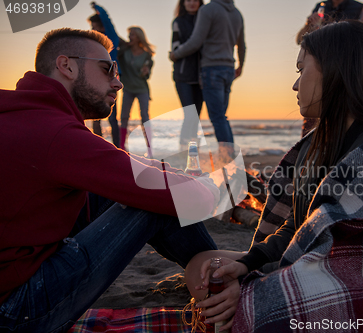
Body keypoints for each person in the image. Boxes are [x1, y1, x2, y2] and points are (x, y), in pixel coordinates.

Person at [182, 21, 363, 332]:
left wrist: (252, 284)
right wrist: (249, 263)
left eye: (300, 70)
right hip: (316, 261)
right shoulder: (322, 141)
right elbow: (300, 226)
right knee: (202, 267)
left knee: (254, 308)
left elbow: (331, 248)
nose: (295, 85)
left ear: (335, 71)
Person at [0, 28, 221, 333]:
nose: (118, 81)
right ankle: (225, 287)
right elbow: (192, 199)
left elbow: (120, 162)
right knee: (152, 201)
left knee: (131, 188)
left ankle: (221, 275)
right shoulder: (57, 135)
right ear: (67, 66)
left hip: (12, 280)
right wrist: (208, 187)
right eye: (107, 69)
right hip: (14, 311)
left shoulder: (25, 115)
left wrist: (170, 174)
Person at [169, 0, 245, 151]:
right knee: (221, 117)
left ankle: (227, 158)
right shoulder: (237, 13)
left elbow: (196, 42)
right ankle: (228, 156)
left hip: (211, 69)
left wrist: (175, 55)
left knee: (217, 118)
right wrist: (241, 65)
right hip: (229, 68)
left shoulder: (208, 10)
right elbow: (241, 44)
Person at [296, 0, 363, 137]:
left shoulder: (358, 8)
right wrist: (308, 25)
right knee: (310, 129)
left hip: (345, 75)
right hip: (318, 72)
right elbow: (300, 40)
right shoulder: (321, 6)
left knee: (344, 125)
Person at [88, 1, 124, 147]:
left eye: (94, 26)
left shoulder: (110, 38)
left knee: (112, 116)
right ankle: (98, 145)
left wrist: (97, 8)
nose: (92, 29)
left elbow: (107, 20)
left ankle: (117, 147)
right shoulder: (91, 42)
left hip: (110, 79)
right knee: (94, 114)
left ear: (101, 25)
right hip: (95, 79)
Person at [172, 0, 205, 151]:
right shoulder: (178, 21)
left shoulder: (205, 19)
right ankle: (183, 149)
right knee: (190, 115)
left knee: (196, 117)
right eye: (188, 0)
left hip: (201, 76)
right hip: (183, 75)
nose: (192, 3)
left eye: (195, 0)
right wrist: (193, 45)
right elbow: (175, 48)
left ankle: (192, 152)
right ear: (183, 3)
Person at [118, 26, 155, 154]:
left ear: (139, 37)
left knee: (145, 116)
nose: (129, 37)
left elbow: (147, 74)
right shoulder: (123, 52)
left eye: (132, 35)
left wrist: (146, 71)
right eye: (129, 34)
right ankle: (122, 146)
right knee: (124, 117)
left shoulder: (147, 55)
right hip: (127, 88)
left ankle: (150, 149)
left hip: (142, 88)